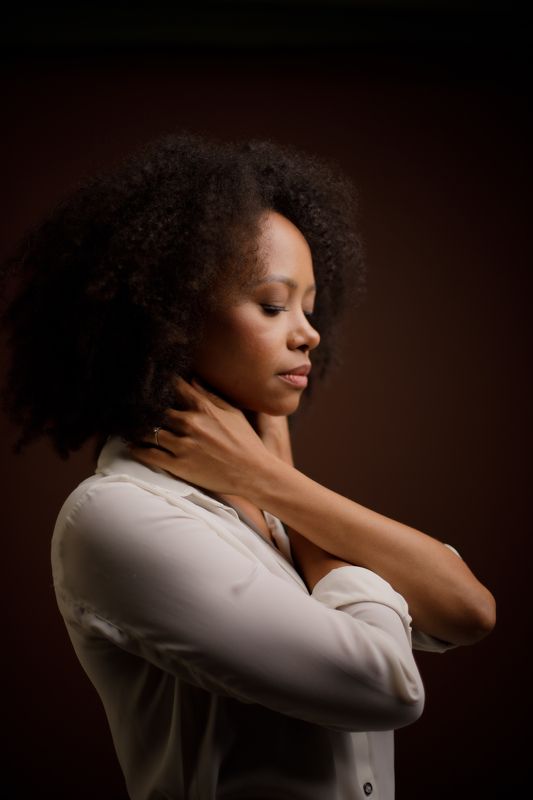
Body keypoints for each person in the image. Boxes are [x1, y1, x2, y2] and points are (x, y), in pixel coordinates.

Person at [0, 131, 495, 800]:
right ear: (169, 316)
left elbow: (469, 611)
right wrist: (270, 481)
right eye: (272, 305)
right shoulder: (118, 517)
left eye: (309, 309)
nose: (309, 333)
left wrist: (272, 481)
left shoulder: (267, 500)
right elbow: (387, 688)